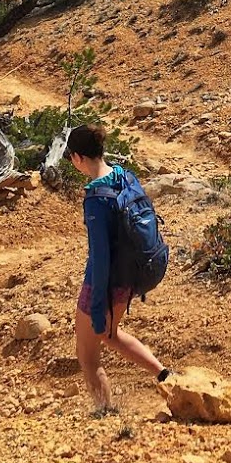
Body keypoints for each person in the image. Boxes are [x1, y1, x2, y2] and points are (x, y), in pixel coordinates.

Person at [65, 123, 170, 411]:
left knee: (87, 355)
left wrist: (98, 305)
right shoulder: (124, 176)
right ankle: (164, 375)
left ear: (77, 157)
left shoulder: (96, 199)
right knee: (110, 335)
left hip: (107, 282)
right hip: (130, 275)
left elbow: (99, 259)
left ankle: (105, 414)